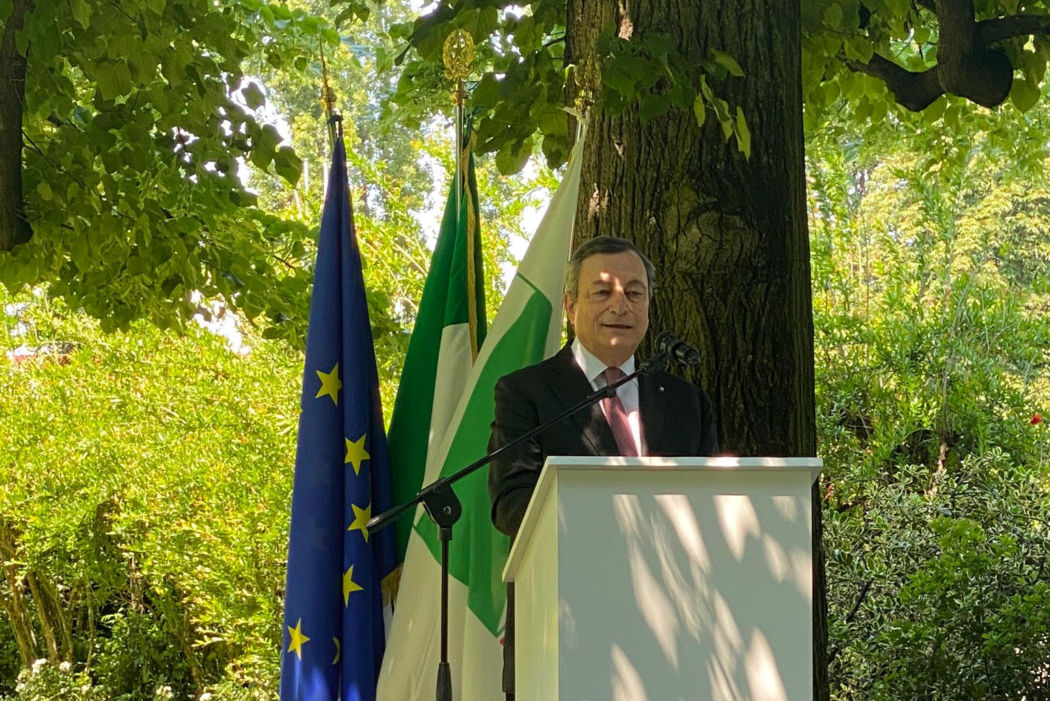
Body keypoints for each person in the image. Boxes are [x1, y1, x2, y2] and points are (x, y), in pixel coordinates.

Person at [487, 235, 719, 698]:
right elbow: (511, 504)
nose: (621, 305)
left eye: (634, 292)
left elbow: (714, 507)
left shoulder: (686, 402)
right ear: (570, 306)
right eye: (602, 292)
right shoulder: (526, 393)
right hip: (564, 630)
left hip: (677, 636)